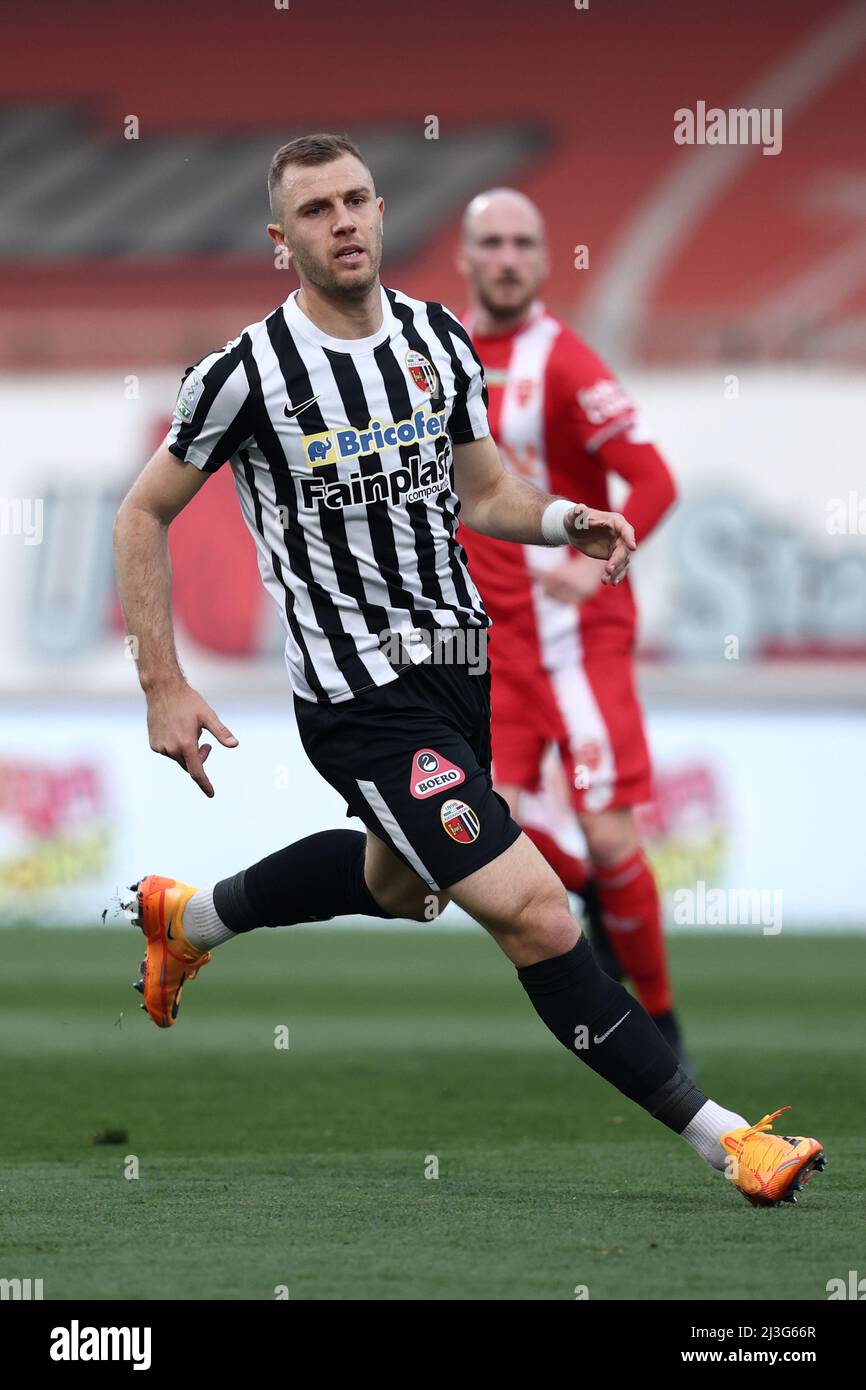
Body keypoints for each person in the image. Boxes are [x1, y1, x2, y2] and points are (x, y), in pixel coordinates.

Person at [112, 133, 824, 1208]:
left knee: (398, 886)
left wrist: (559, 516)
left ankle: (188, 917)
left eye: (355, 201)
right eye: (315, 211)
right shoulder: (244, 376)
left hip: (457, 670)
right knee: (537, 912)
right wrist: (162, 682)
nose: (342, 222)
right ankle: (727, 1140)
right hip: (358, 696)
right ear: (280, 239)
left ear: (384, 211)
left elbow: (481, 489)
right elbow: (142, 510)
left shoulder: (440, 342)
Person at [455, 187, 687, 1060]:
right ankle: (588, 889)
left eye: (524, 243)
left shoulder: (568, 362)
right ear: (467, 259)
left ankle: (662, 1021)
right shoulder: (433, 357)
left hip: (575, 641)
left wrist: (584, 573)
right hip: (491, 646)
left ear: (544, 261)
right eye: (493, 243)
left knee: (608, 828)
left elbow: (655, 480)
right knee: (480, 833)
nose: (508, 258)